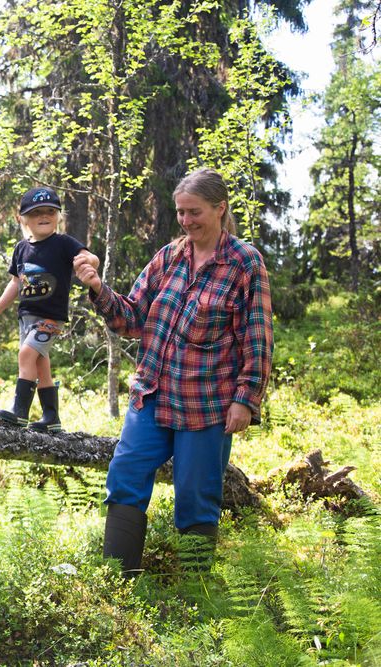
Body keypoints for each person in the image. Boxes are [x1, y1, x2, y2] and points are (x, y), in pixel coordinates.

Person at [72, 167, 273, 576]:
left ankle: (195, 597)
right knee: (125, 475)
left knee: (196, 497)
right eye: (180, 212)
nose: (186, 221)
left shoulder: (244, 263)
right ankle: (118, 584)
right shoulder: (168, 257)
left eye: (194, 212)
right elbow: (132, 318)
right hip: (151, 395)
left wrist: (246, 400)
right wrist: (97, 288)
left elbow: (257, 337)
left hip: (206, 404)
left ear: (220, 209)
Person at [0, 185, 98, 432]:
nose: (44, 216)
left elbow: (90, 256)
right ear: (23, 219)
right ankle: (51, 417)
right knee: (39, 364)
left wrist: (87, 261)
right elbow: (15, 282)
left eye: (49, 211)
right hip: (26, 317)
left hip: (50, 317)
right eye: (36, 213)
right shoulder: (22, 248)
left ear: (58, 216)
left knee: (26, 355)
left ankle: (19, 412)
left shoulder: (64, 243)